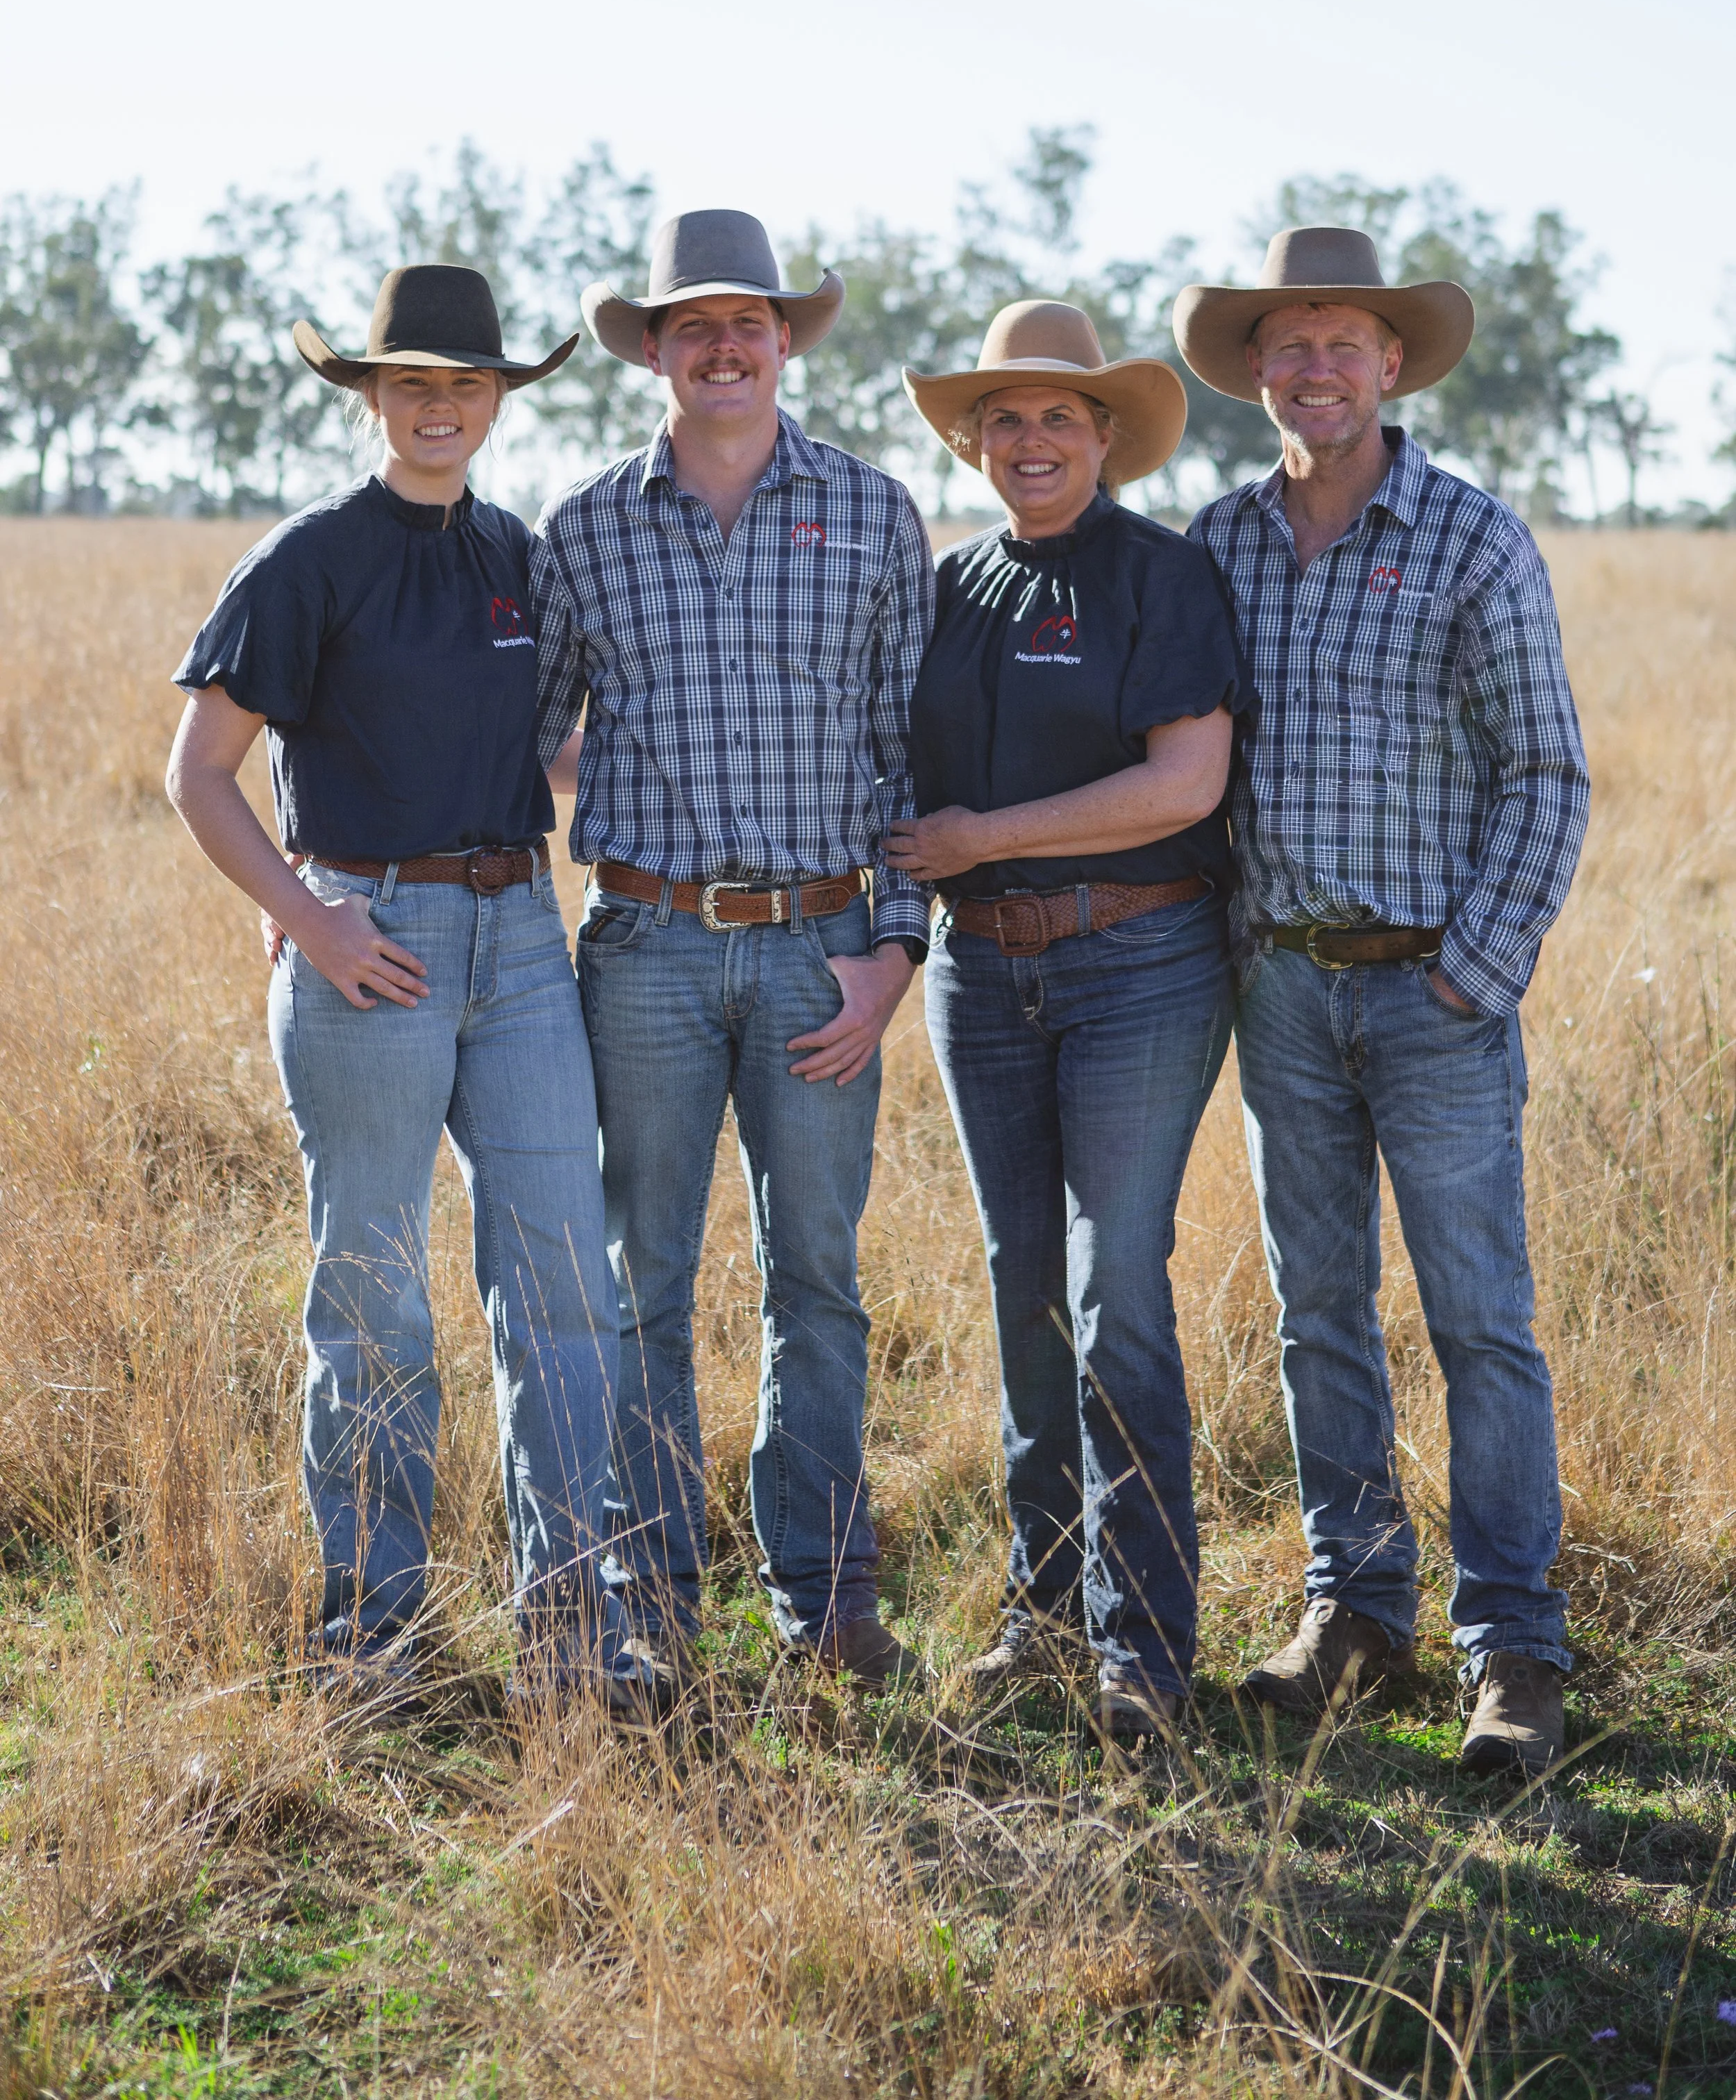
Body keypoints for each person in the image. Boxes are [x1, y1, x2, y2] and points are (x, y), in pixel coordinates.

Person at [166, 264, 640, 1712]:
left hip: (521, 944)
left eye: (468, 384)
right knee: (374, 1300)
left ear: (501, 399)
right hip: (372, 951)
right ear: (371, 397)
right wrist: (309, 916)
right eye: (413, 384)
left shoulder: (514, 552)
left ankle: (570, 1631)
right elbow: (198, 773)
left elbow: (528, 751)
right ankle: (373, 1633)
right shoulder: (311, 558)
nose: (441, 406)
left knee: (563, 1285)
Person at [1178, 227, 1591, 1777]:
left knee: (1480, 1321)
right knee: (1318, 1315)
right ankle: (1353, 1610)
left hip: (1432, 990)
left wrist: (1468, 973)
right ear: (1252, 376)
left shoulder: (1472, 539)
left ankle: (1512, 1652)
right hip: (1280, 989)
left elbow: (1545, 774)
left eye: (1342, 342)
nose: (1314, 369)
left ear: (1391, 365)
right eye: (1286, 346)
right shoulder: (1215, 546)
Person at [533, 208, 935, 1702]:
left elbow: (908, 750)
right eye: (688, 324)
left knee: (814, 1279)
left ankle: (825, 1594)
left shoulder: (876, 513)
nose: (719, 346)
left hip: (824, 947)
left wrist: (893, 955)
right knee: (641, 1279)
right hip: (640, 945)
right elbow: (518, 745)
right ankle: (652, 1598)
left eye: (745, 322)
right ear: (651, 347)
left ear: (782, 340)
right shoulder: (580, 530)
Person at [885, 299, 1247, 1742]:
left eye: (1058, 416)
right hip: (980, 979)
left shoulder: (1163, 579)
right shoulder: (942, 586)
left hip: (1138, 967)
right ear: (973, 443)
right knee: (1023, 1290)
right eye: (1004, 420)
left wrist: (983, 837)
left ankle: (1143, 1652)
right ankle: (1042, 1613)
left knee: (1116, 1291)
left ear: (1106, 435)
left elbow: (1182, 784)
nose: (1029, 441)